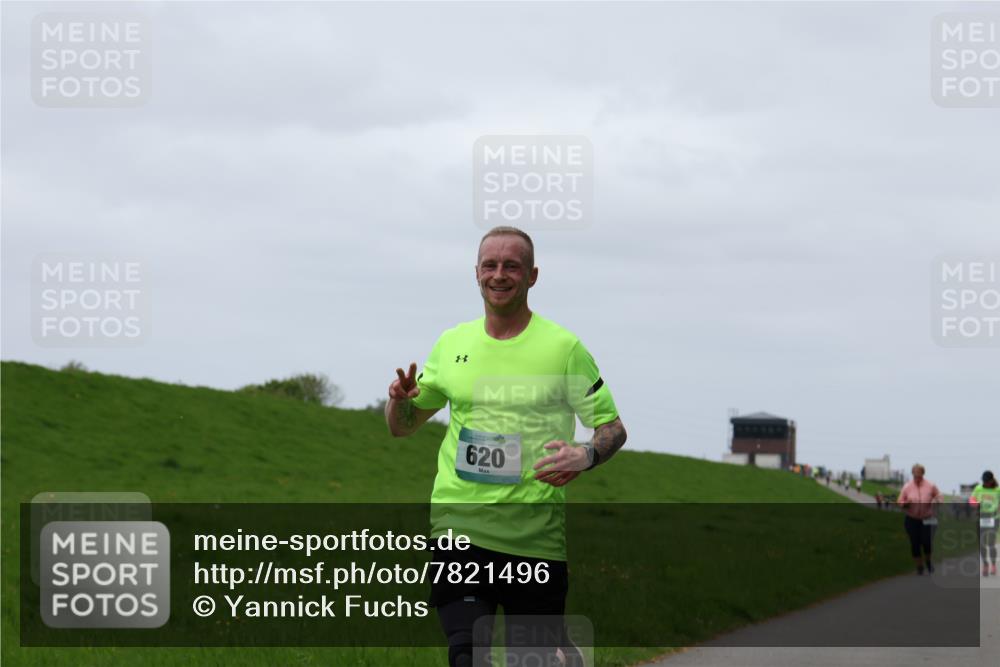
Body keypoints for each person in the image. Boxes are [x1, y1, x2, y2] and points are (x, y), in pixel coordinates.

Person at [385, 226, 627, 667]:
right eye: (490, 265)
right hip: (459, 527)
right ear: (475, 274)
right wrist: (397, 402)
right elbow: (403, 428)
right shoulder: (452, 343)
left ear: (532, 276)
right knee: (466, 654)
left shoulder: (563, 348)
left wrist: (586, 454)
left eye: (511, 266)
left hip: (533, 540)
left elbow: (611, 428)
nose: (499, 275)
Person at [896, 464, 942, 575]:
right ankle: (919, 566)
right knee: (915, 543)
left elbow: (939, 496)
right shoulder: (907, 487)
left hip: (928, 518)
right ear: (912, 474)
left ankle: (928, 562)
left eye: (919, 474)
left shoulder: (930, 486)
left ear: (923, 474)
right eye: (915, 474)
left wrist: (936, 501)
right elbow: (900, 500)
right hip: (912, 518)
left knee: (927, 542)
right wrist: (904, 504)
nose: (917, 477)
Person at [969, 470, 999, 577]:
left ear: (991, 481)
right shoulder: (978, 488)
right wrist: (976, 504)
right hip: (981, 517)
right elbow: (972, 499)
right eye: (984, 481)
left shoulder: (997, 490)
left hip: (993, 518)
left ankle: (993, 565)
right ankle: (986, 565)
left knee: (991, 543)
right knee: (981, 543)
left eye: (987, 481)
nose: (985, 483)